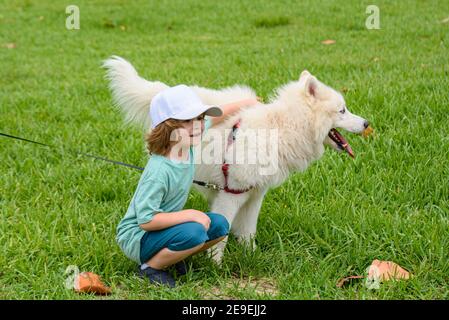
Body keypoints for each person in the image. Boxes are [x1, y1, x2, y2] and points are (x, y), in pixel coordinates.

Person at [116, 84, 259, 287]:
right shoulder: (159, 171)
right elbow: (146, 220)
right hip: (138, 237)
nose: (198, 125)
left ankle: (172, 258)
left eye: (199, 118)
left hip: (163, 228)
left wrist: (248, 103)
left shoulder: (186, 142)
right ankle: (150, 268)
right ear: (168, 128)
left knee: (219, 225)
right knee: (195, 231)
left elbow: (218, 116)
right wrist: (189, 214)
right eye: (187, 120)